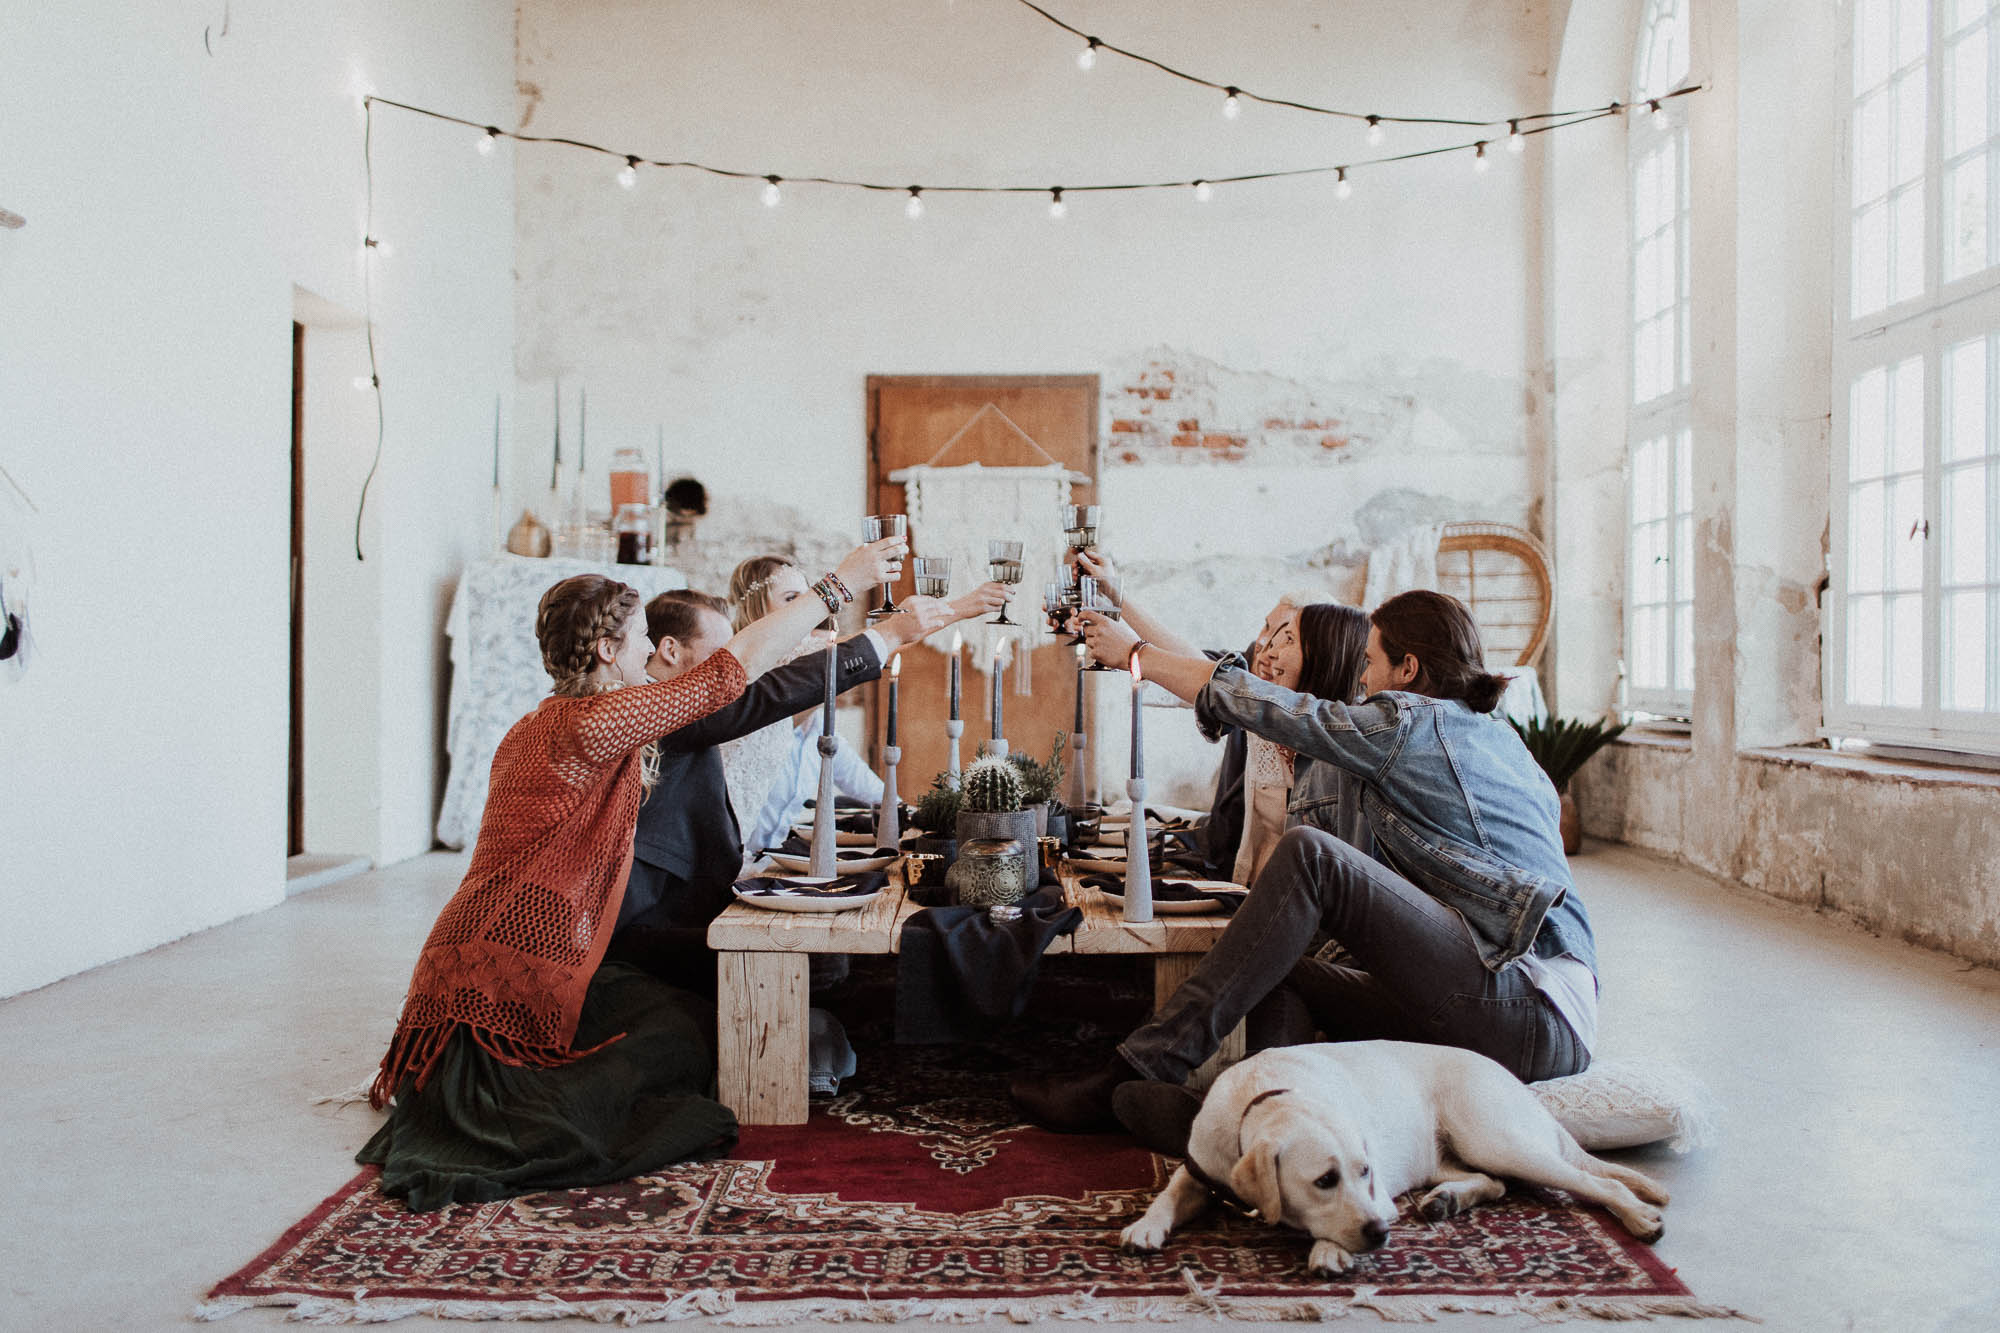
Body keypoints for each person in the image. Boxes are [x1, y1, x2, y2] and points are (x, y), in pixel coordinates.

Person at [359, 539, 902, 1210]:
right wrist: (838, 587)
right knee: (680, 1043)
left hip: (459, 957)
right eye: (641, 642)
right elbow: (726, 677)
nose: (652, 657)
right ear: (607, 652)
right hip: (507, 971)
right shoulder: (598, 721)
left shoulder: (534, 723)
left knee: (678, 1016)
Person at [1010, 588, 1596, 1136]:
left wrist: (1137, 653)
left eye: (1370, 662)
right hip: (1484, 997)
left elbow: (1275, 710)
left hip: (1529, 1007)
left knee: (1310, 855)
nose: (1362, 678)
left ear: (1409, 670)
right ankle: (1261, 1123)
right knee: (1277, 962)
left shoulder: (1414, 725)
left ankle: (1140, 1065)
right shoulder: (1492, 737)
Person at [606, 578, 1005, 989]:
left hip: (700, 891)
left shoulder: (656, 703)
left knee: (830, 950)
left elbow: (801, 673)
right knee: (821, 961)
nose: (731, 666)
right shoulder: (654, 709)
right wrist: (875, 611)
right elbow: (778, 689)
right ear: (670, 649)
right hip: (652, 921)